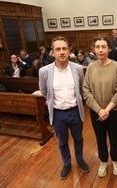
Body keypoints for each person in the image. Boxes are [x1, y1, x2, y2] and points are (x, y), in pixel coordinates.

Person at [39, 36, 90, 180]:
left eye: (64, 49)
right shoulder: (44, 71)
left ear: (69, 51)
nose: (61, 52)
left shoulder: (78, 69)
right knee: (62, 141)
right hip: (57, 113)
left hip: (75, 111)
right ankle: (67, 163)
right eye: (58, 49)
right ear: (52, 52)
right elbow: (44, 91)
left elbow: (81, 89)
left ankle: (79, 159)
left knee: (78, 138)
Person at [83, 36, 117, 178]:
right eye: (97, 47)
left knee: (114, 139)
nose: (100, 50)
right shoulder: (90, 67)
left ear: (109, 49)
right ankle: (103, 161)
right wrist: (99, 110)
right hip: (96, 111)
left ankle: (115, 160)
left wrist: (106, 110)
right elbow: (86, 91)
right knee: (100, 139)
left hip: (114, 111)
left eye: (103, 47)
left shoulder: (116, 66)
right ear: (94, 49)